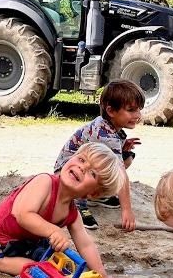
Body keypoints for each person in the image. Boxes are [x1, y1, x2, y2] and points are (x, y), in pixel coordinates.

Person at [0, 142, 127, 278]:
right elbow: (22, 214)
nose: (82, 167)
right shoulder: (45, 182)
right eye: (81, 159)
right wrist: (54, 230)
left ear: (93, 194)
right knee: (33, 268)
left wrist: (103, 277)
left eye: (92, 173)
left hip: (29, 243)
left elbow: (86, 245)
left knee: (60, 267)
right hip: (4, 240)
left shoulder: (71, 212)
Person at [54, 80, 144, 231]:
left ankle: (99, 195)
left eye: (138, 110)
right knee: (112, 168)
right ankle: (77, 204)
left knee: (126, 157)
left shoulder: (107, 126)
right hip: (67, 172)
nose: (137, 115)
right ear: (111, 111)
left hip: (81, 166)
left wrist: (123, 145)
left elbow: (106, 154)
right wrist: (127, 210)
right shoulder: (106, 135)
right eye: (131, 110)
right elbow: (121, 174)